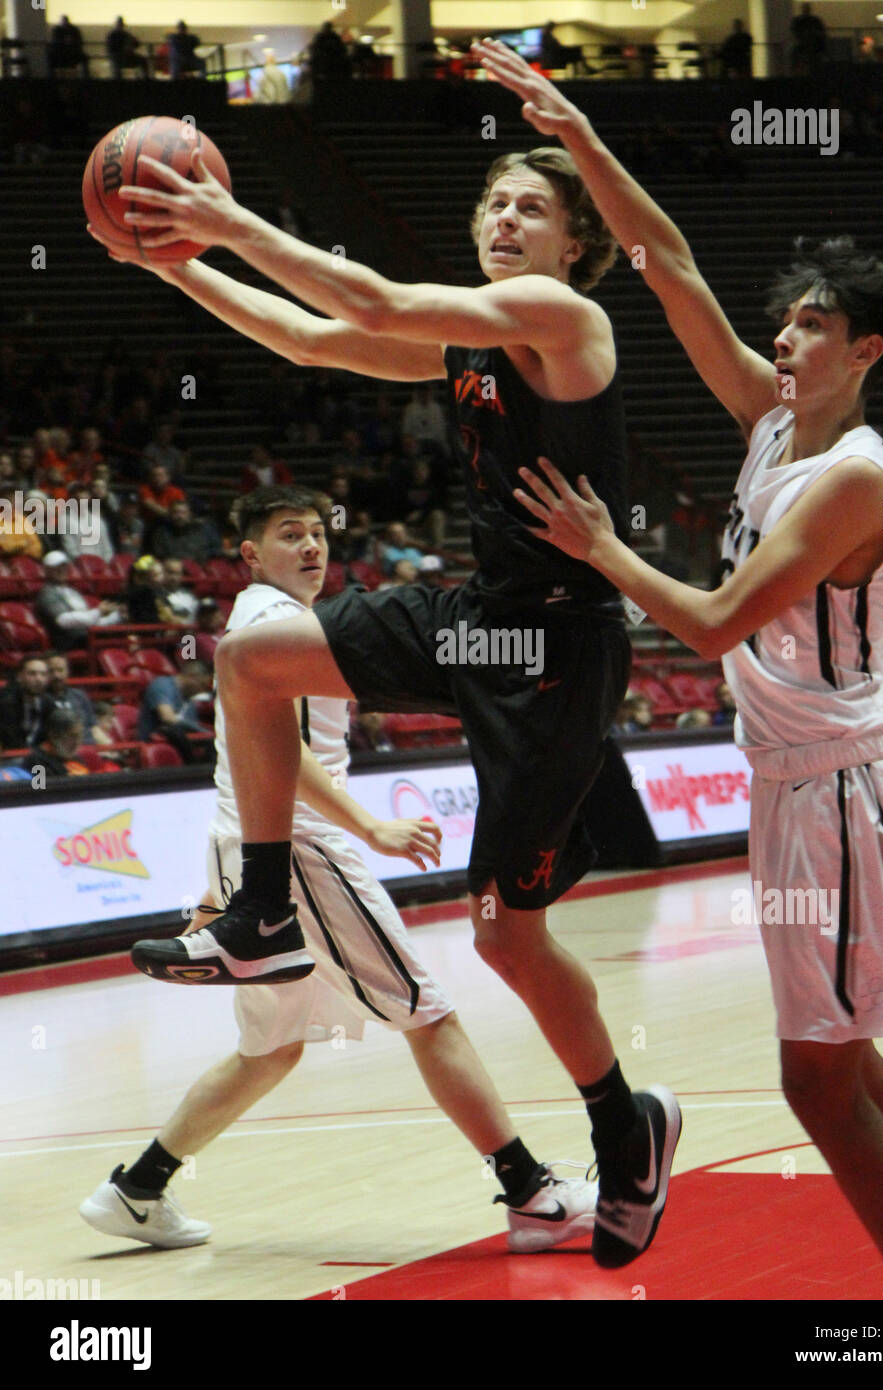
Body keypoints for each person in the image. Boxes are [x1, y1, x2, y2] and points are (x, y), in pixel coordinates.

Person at [90, 133, 682, 1271]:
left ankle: (621, 1122)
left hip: (558, 642)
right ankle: (262, 908)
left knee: (507, 933)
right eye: (493, 204)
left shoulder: (567, 323)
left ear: (575, 245)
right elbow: (313, 334)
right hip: (478, 611)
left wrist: (219, 219)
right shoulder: (465, 334)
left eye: (530, 209)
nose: (505, 220)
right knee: (252, 658)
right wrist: (175, 267)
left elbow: (367, 290)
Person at [474, 41, 883, 1295]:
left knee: (814, 1081)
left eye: (813, 326)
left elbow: (710, 624)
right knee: (846, 1064)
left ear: (863, 351)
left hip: (840, 787)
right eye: (786, 321)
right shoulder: (770, 426)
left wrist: (601, 548)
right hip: (797, 788)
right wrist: (579, 136)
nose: (785, 337)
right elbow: (668, 266)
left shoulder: (852, 473)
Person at [80, 485, 596, 1253]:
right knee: (427, 1010)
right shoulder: (276, 622)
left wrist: (218, 889)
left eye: (319, 533)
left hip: (250, 848)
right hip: (302, 850)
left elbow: (247, 759)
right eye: (291, 535)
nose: (312, 547)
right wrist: (371, 822)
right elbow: (284, 753)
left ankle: (137, 1189)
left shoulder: (263, 621)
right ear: (251, 554)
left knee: (271, 1051)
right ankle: (532, 1195)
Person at [36, 551, 123, 651]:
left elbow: (92, 621)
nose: (61, 570)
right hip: (68, 640)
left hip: (86, 636)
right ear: (47, 570)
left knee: (121, 635)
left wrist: (117, 615)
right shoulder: (47, 593)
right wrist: (99, 612)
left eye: (64, 566)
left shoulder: (73, 592)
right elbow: (63, 620)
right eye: (56, 568)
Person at [137, 657, 211, 761]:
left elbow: (192, 728)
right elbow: (168, 718)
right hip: (156, 748)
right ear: (192, 677)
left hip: (181, 749)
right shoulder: (162, 685)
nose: (202, 691)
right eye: (202, 685)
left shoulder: (189, 699)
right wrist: (204, 732)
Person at [0, 656, 54, 750]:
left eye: (43, 674)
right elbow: (10, 741)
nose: (39, 679)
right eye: (32, 674)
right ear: (20, 677)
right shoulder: (5, 703)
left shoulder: (48, 703)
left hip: (38, 759)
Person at [22, 708, 90, 779]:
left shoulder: (75, 758)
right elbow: (40, 788)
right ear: (54, 736)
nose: (77, 742)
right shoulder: (36, 762)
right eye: (72, 736)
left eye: (80, 736)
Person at [46, 652, 95, 740]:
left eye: (60, 670)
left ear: (68, 671)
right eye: (51, 671)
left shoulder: (79, 696)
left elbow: (94, 728)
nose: (56, 675)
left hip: (89, 747)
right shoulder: (41, 700)